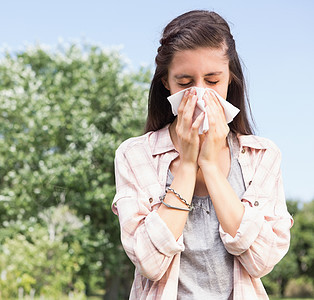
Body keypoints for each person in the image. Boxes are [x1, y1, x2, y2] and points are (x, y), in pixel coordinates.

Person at [111, 10, 293, 300]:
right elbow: (150, 263)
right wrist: (186, 165)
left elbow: (261, 261)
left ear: (229, 81)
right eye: (184, 82)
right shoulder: (135, 155)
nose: (198, 94)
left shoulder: (262, 156)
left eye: (212, 81)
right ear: (166, 84)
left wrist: (208, 163)